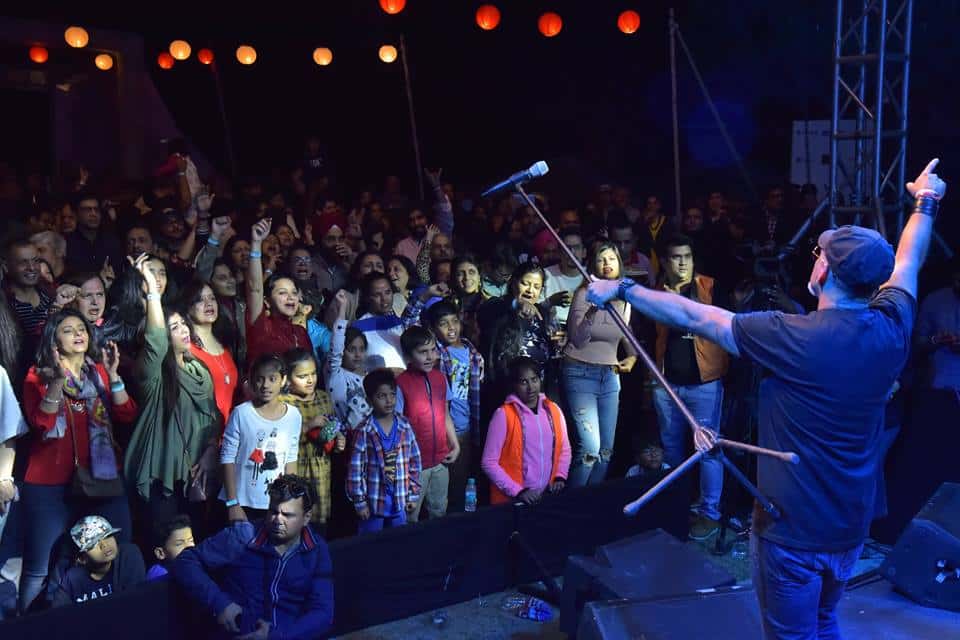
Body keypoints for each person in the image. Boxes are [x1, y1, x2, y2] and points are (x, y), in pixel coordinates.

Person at [587, 159, 944, 639]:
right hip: (850, 524)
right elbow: (909, 261)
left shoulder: (794, 336)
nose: (814, 259)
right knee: (823, 621)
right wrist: (926, 201)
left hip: (793, 531)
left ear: (826, 270)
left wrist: (622, 288)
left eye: (819, 253)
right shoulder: (893, 324)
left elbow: (698, 317)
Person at [124, 256, 220, 537]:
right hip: (160, 476)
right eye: (174, 327)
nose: (184, 330)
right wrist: (153, 292)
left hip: (196, 475)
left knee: (194, 544)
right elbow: (155, 340)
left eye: (183, 324)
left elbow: (212, 417)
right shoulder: (152, 375)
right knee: (163, 547)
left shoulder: (199, 369)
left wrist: (211, 451)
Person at [172, 474, 334, 639]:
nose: (277, 519)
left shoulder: (317, 550)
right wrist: (219, 603)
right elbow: (185, 561)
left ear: (306, 517)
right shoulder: (243, 536)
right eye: (273, 511)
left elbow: (323, 613)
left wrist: (278, 637)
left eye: (287, 515)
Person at [647, 234, 730, 540]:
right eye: (676, 257)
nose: (682, 263)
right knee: (671, 449)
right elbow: (649, 335)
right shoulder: (655, 293)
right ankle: (674, 509)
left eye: (687, 256)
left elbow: (726, 325)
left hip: (704, 383)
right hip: (667, 384)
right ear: (664, 261)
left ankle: (709, 513)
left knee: (708, 450)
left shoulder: (710, 287)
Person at [563, 241, 636, 487]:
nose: (607, 264)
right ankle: (572, 505)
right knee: (589, 450)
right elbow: (577, 339)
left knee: (606, 452)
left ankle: (590, 503)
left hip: (610, 375)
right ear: (593, 265)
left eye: (611, 259)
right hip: (580, 372)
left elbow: (626, 334)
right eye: (601, 259)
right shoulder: (583, 294)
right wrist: (593, 311)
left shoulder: (624, 299)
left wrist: (633, 356)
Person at [220, 354, 302, 522]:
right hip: (241, 504)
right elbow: (227, 458)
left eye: (272, 379)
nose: (266, 385)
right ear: (252, 382)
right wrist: (232, 503)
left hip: (275, 504)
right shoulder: (241, 413)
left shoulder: (294, 416)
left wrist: (289, 500)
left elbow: (290, 459)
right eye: (260, 379)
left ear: (283, 380)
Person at [481, 357, 570, 505]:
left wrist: (560, 476)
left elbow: (564, 449)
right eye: (523, 382)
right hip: (513, 502)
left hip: (546, 497)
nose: (531, 387)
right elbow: (488, 462)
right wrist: (518, 491)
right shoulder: (503, 415)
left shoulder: (553, 410)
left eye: (534, 379)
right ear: (514, 385)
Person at [395, 326, 460, 521]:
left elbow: (445, 414)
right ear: (408, 356)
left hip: (441, 460)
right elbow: (397, 426)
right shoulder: (401, 384)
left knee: (439, 512)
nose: (430, 356)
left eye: (432, 350)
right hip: (414, 466)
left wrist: (455, 444)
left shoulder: (440, 378)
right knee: (410, 517)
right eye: (423, 352)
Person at [347, 369, 422, 533]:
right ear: (369, 400)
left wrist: (413, 494)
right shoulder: (364, 430)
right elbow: (355, 470)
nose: (389, 401)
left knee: (397, 544)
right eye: (381, 396)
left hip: (399, 502)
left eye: (392, 394)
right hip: (373, 504)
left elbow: (414, 462)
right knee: (370, 545)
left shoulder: (404, 425)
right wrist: (360, 502)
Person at [427, 301, 484, 511]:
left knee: (462, 482)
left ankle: (460, 520)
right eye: (443, 324)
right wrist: (425, 296)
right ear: (433, 329)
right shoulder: (437, 353)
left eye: (454, 321)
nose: (451, 328)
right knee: (443, 489)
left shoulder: (472, 352)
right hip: (443, 429)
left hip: (467, 427)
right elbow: (409, 325)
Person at [279, 349, 345, 530]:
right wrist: (309, 425)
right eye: (302, 376)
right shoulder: (283, 403)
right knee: (294, 522)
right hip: (296, 470)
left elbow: (333, 427)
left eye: (313, 374)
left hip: (321, 471)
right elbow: (280, 439)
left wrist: (339, 440)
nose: (310, 380)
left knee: (318, 525)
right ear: (287, 379)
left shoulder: (323, 398)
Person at [245, 219, 311, 365]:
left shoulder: (301, 333)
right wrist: (256, 243)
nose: (291, 297)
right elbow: (255, 289)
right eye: (282, 293)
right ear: (267, 301)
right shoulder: (262, 326)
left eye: (294, 293)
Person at [351, 272, 441, 371]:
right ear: (367, 297)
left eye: (388, 292)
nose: (384, 299)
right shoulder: (357, 328)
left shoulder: (399, 321)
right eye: (377, 295)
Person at [50, 515, 145, 607]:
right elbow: (58, 613)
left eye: (107, 536)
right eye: (94, 543)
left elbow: (136, 602)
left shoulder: (128, 556)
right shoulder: (72, 579)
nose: (104, 545)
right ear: (82, 558)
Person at [180, 279, 239, 425]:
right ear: (188, 307)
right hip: (201, 432)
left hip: (228, 432)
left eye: (212, 298)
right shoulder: (186, 349)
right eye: (200, 300)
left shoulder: (226, 344)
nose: (209, 303)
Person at [326, 291, 372, 430]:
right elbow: (336, 347)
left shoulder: (368, 378)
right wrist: (342, 310)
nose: (358, 355)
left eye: (361, 349)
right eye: (351, 350)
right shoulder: (335, 374)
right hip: (345, 438)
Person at [542, 229, 586, 326]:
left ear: (584, 252)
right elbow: (535, 309)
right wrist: (550, 301)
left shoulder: (592, 276)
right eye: (567, 248)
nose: (572, 252)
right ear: (559, 252)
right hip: (554, 329)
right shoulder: (545, 275)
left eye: (576, 247)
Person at [146, 514, 195, 580]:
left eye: (191, 540)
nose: (188, 547)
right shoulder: (159, 576)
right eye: (179, 544)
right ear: (160, 553)